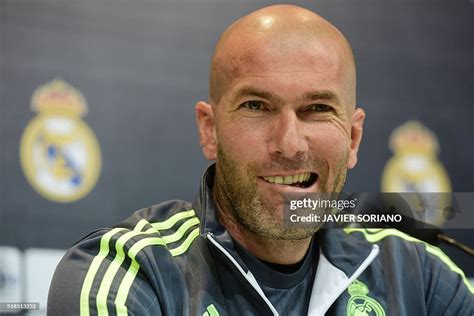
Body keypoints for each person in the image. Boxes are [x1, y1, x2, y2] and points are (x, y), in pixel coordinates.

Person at [48, 5, 473, 315]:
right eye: (256, 106)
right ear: (209, 130)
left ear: (354, 136)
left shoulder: (419, 275)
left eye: (318, 109)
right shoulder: (127, 274)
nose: (289, 143)